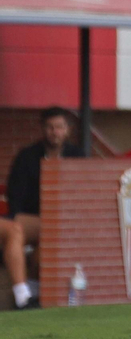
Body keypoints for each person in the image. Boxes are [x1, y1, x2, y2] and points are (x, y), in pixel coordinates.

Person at [4, 107, 84, 309]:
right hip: (28, 219)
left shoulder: (78, 156)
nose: (54, 132)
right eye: (50, 127)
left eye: (59, 127)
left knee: (46, 245)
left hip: (64, 223)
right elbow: (15, 199)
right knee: (49, 229)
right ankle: (27, 295)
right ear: (42, 128)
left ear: (67, 129)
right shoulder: (27, 157)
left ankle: (29, 296)